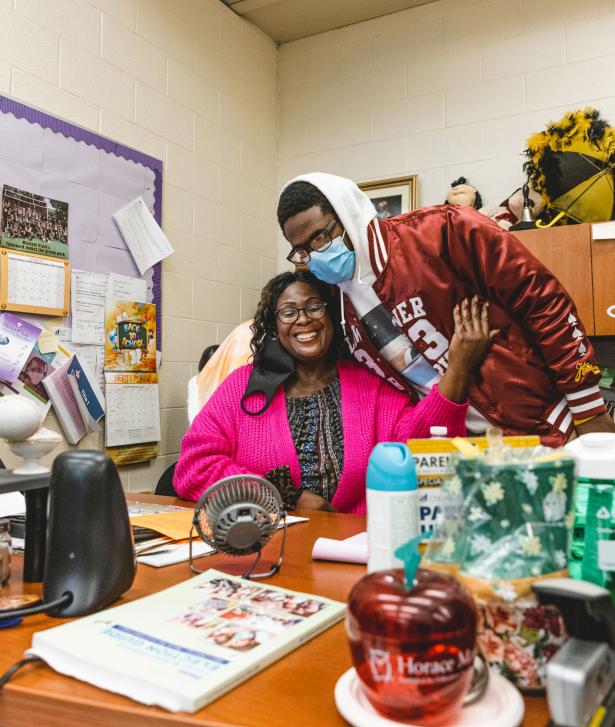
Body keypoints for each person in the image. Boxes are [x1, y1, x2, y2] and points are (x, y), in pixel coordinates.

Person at [276, 173, 615, 446]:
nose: (315, 255)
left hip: (551, 429)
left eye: (320, 238)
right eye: (302, 250)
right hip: (465, 454)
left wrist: (588, 409)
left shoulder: (442, 230)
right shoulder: (337, 303)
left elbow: (542, 300)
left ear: (346, 215)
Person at [174, 270, 494, 513]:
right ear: (274, 326)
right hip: (265, 550)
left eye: (315, 307)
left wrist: (459, 367)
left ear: (333, 315)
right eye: (288, 312)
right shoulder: (242, 387)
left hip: (352, 552)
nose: (303, 320)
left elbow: (425, 448)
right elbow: (193, 468)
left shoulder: (371, 383)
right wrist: (281, 495)